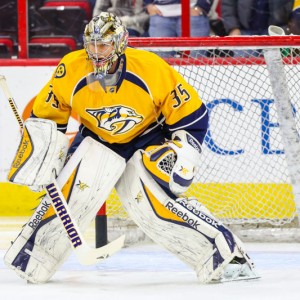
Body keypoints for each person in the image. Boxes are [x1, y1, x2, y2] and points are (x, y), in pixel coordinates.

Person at [4, 12, 258, 284]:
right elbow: (47, 117)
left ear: (120, 44)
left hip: (147, 138)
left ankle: (228, 257)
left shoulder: (150, 68)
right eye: (91, 45)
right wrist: (42, 154)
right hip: (97, 137)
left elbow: (192, 115)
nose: (96, 52)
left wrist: (186, 150)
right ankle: (33, 258)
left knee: (152, 206)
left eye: (104, 45)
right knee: (71, 196)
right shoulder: (71, 68)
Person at [221, 0, 298, 56]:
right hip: (244, 32)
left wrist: (290, 28)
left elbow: (296, 9)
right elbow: (228, 4)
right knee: (241, 71)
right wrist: (233, 27)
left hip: (276, 33)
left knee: (278, 70)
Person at [144, 0, 213, 57]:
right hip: (160, 14)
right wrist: (149, 5)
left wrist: (201, 6)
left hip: (193, 13)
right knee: (163, 62)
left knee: (197, 60)